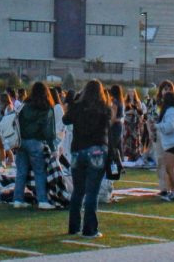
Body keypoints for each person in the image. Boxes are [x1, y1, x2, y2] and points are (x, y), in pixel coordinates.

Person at [64, 79, 112, 237]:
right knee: (92, 191)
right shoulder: (103, 107)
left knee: (78, 191)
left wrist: (74, 103)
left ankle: (74, 227)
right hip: (97, 149)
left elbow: (66, 119)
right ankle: (89, 229)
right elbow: (108, 126)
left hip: (78, 150)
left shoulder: (77, 107)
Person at [14, 81, 57, 210]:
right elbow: (49, 131)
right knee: (39, 172)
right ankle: (42, 200)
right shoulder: (47, 107)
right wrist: (53, 148)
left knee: (21, 172)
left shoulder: (25, 105)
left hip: (21, 141)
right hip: (36, 142)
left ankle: (17, 199)